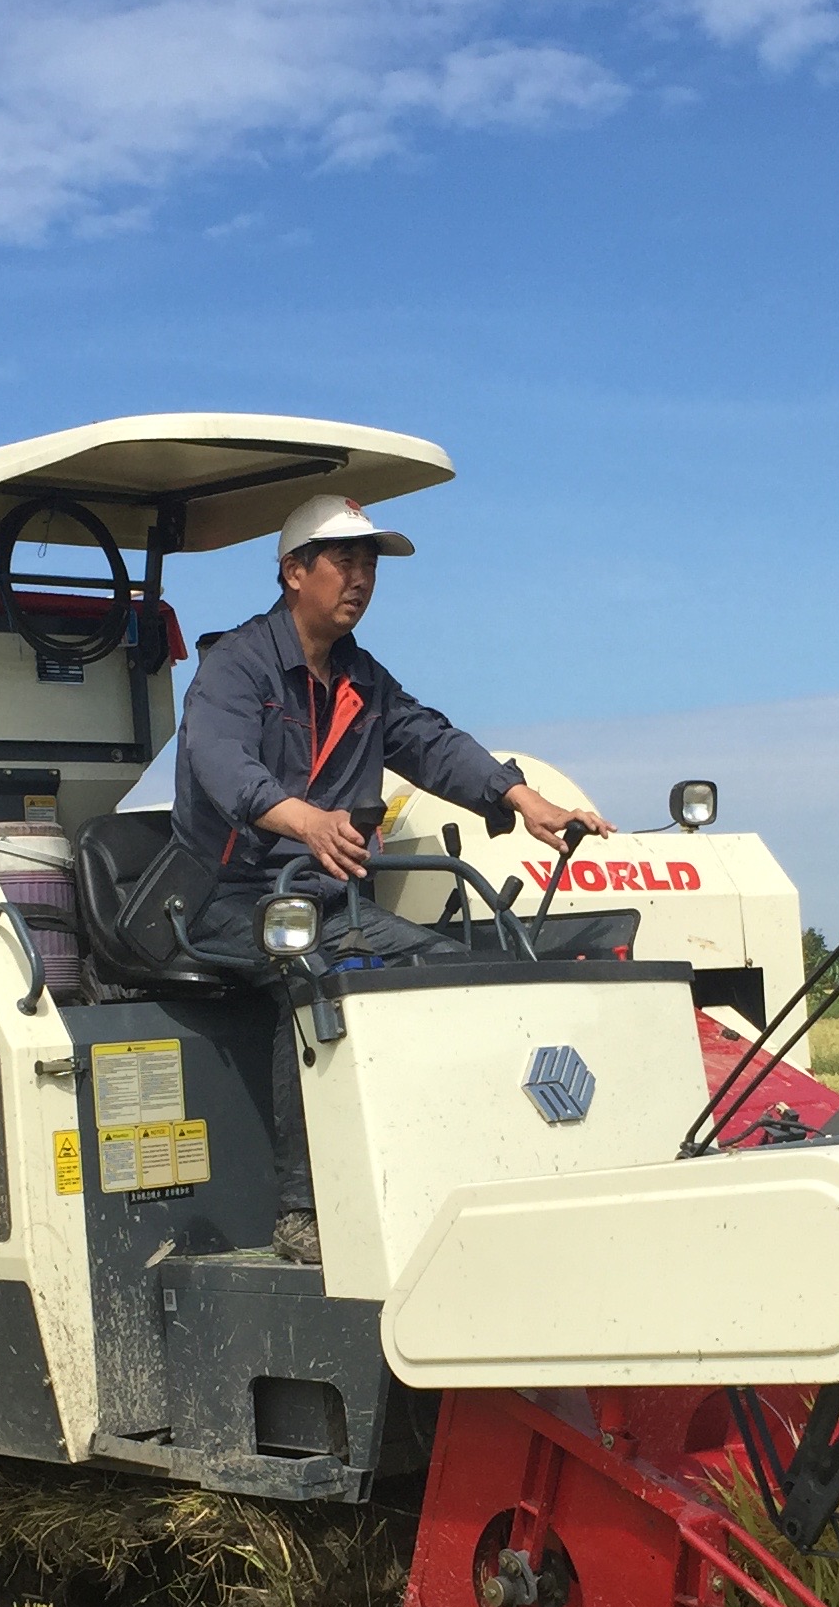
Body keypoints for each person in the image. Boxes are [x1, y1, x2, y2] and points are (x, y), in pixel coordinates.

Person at [172, 493, 609, 1264]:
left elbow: (430, 741)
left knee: (456, 976)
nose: (361, 577)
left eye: (370, 562)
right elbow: (221, 763)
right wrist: (303, 818)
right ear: (292, 572)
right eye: (345, 559)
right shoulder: (232, 667)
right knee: (315, 982)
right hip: (221, 900)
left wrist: (518, 795)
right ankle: (302, 1210)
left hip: (322, 902)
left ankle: (459, 1175)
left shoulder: (362, 680)